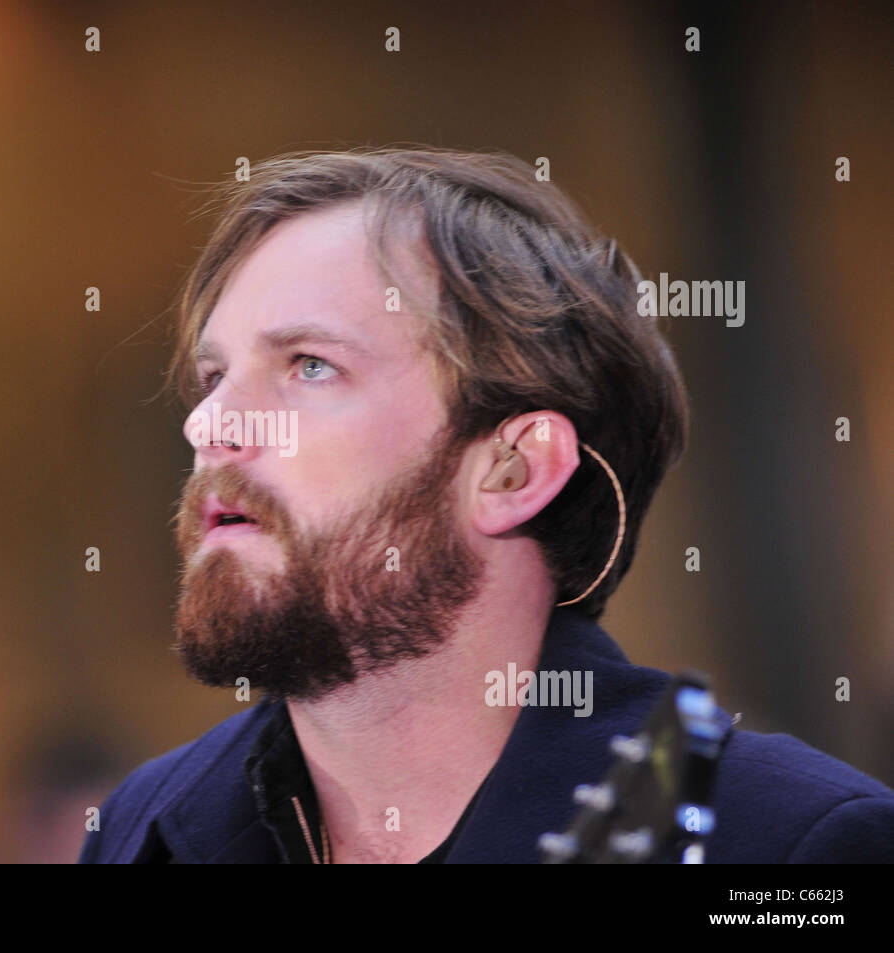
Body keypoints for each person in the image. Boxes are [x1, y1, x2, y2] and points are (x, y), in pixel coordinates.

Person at [79, 147, 894, 863]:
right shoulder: (139, 830)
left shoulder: (785, 843)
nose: (208, 424)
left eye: (309, 365)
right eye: (214, 376)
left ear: (515, 470)